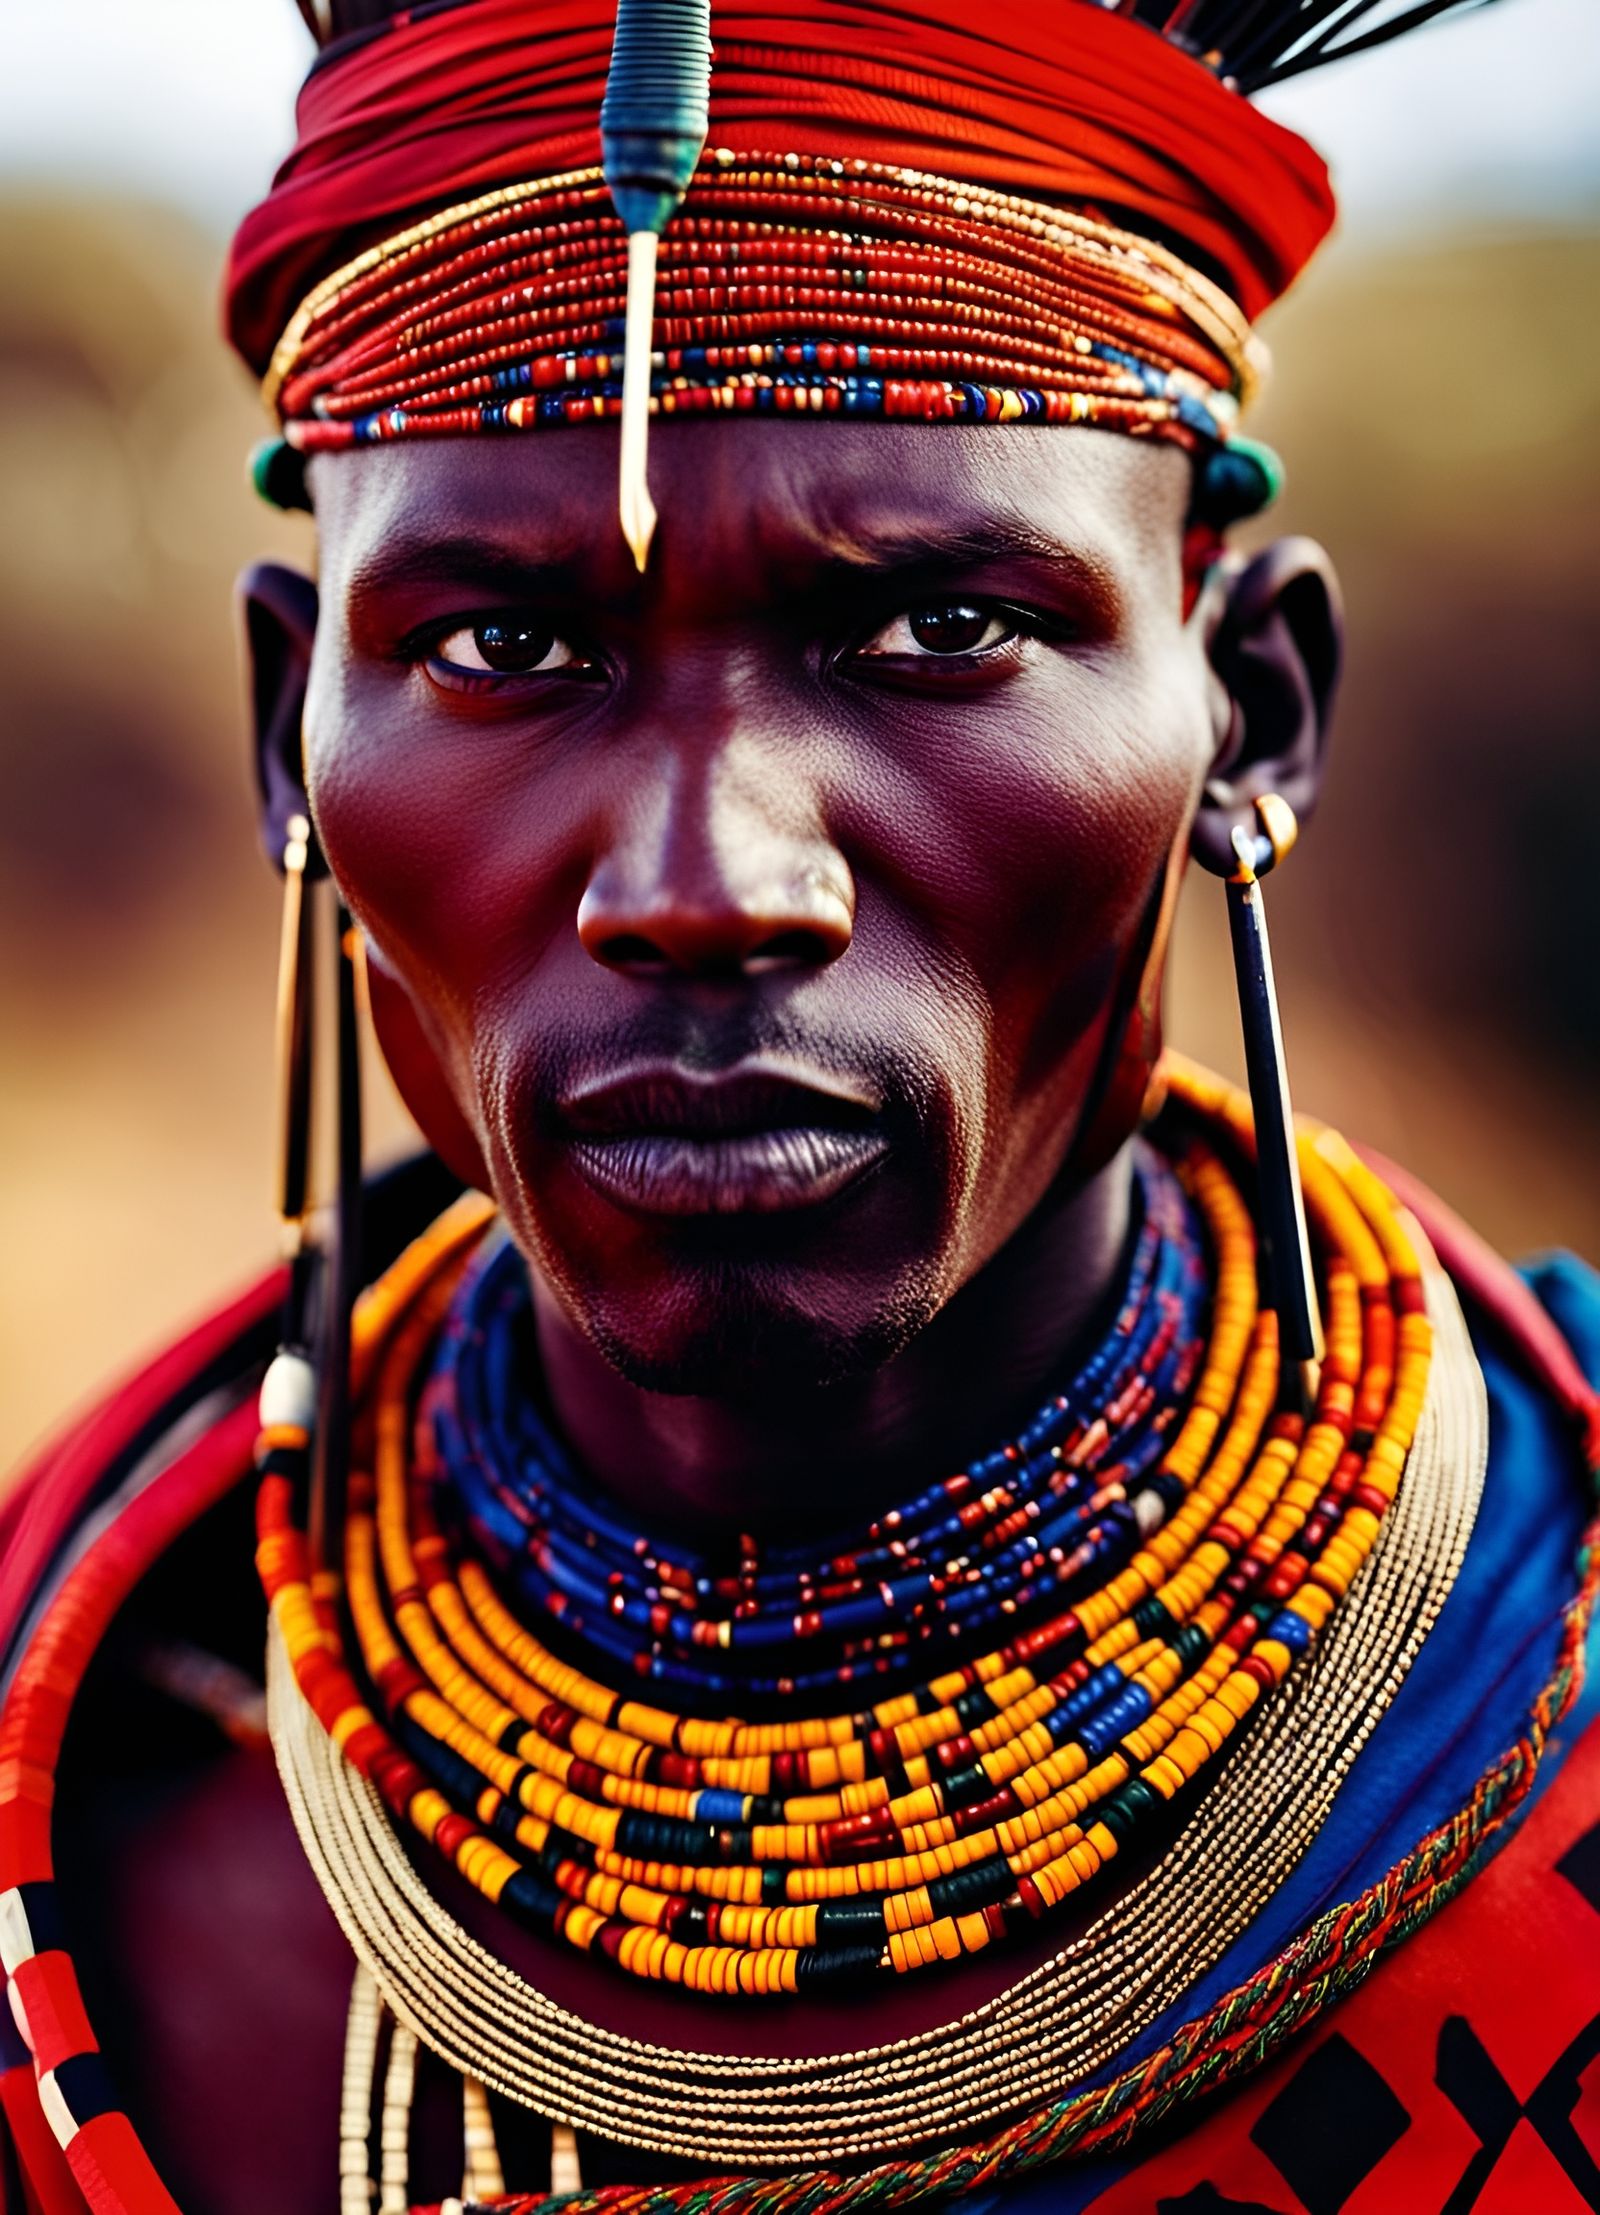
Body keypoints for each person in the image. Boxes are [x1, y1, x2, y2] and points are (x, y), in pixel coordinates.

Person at [3, 2, 1598, 2211]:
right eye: (502, 649)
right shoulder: (86, 1751)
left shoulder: (1556, 1645)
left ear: (1250, 711)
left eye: (938, 627)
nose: (708, 883)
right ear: (293, 739)